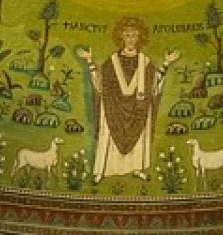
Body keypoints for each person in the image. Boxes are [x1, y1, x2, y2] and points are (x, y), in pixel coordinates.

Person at [76, 17, 178, 182]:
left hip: (138, 108)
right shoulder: (112, 61)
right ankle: (102, 171)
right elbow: (101, 85)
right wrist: (89, 61)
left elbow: (153, 85)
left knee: (141, 129)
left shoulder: (145, 62)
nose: (130, 39)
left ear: (139, 38)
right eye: (127, 35)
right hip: (114, 106)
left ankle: (137, 168)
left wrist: (166, 63)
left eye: (134, 35)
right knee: (108, 130)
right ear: (121, 37)